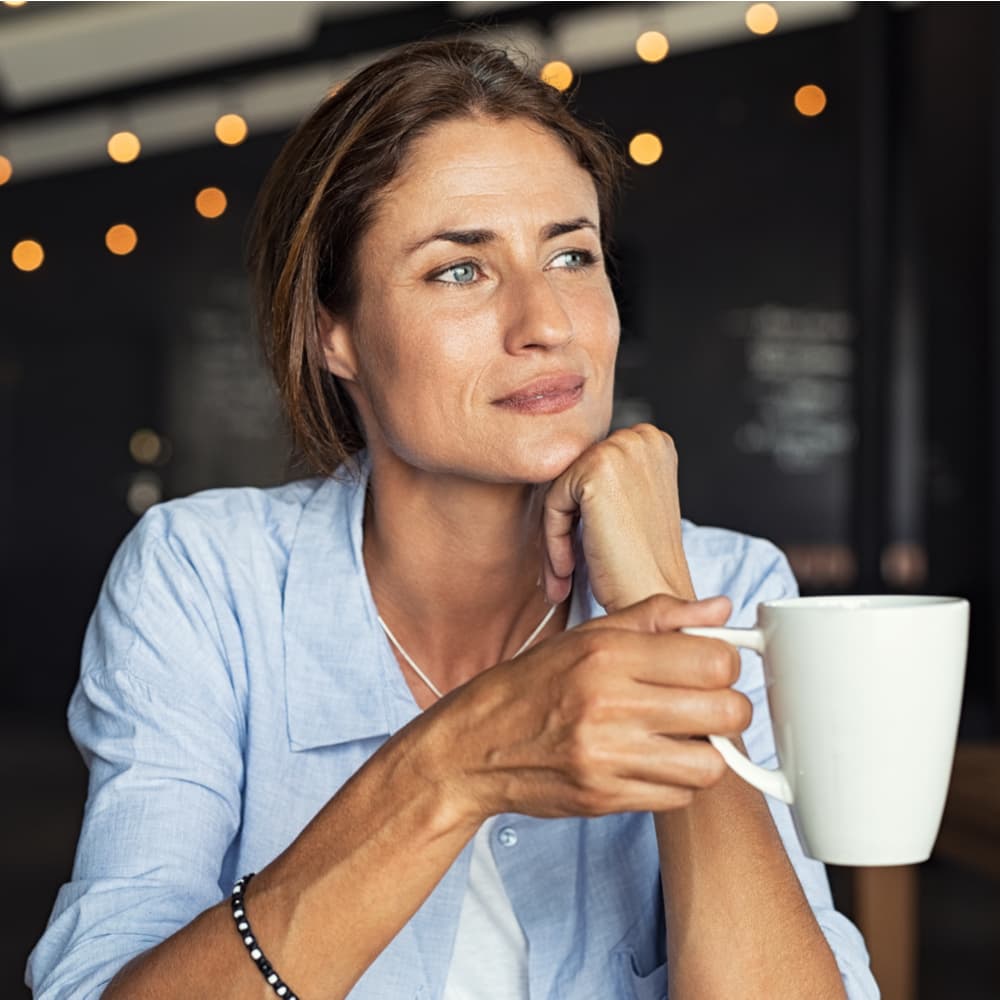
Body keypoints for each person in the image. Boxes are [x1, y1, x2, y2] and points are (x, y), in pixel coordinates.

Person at [28, 38, 877, 1000]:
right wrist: (456, 766)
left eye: (571, 255)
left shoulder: (733, 586)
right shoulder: (204, 578)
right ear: (331, 331)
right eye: (459, 272)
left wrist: (654, 592)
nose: (546, 321)